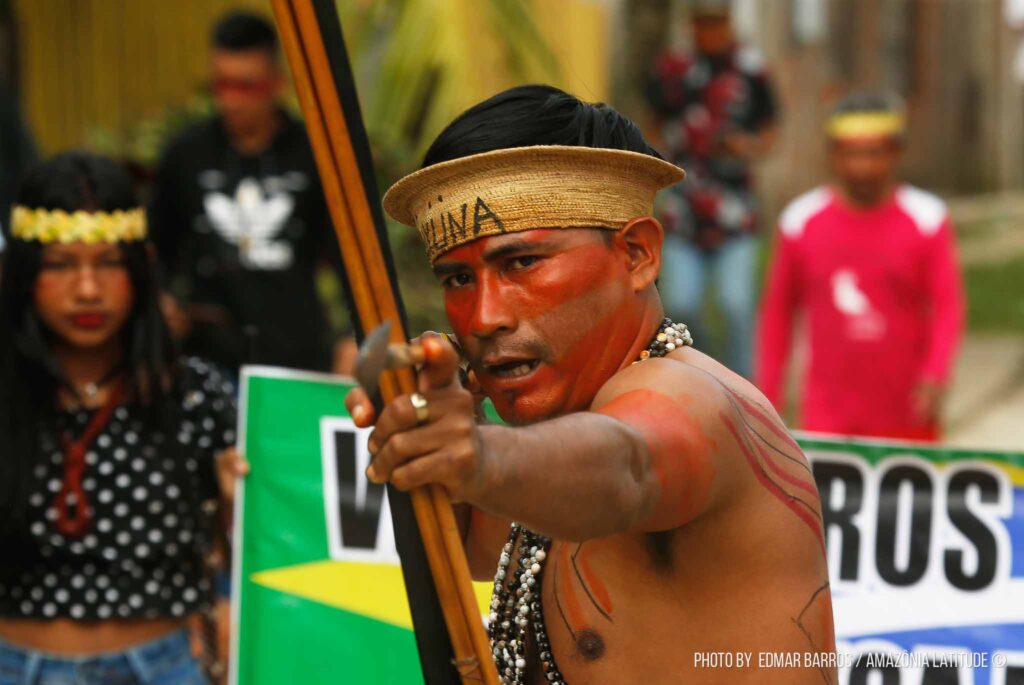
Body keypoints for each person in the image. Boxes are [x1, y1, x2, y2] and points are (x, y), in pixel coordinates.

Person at [346, 85, 835, 683]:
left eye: (521, 263)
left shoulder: (693, 400)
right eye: (457, 280)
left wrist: (475, 455)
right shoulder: (549, 434)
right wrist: (443, 417)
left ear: (636, 255)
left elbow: (628, 467)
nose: (483, 317)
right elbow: (473, 551)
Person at [0, 152, 246, 684]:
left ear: (141, 267)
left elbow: (252, 541)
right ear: (21, 272)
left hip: (167, 668)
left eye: (109, 263)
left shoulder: (195, 395)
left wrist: (239, 503)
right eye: (60, 265)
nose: (87, 289)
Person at [149, 10, 353, 375]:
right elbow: (154, 250)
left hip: (297, 352)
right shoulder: (185, 154)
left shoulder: (315, 154)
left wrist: (354, 335)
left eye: (246, 87)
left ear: (276, 83)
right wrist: (159, 302)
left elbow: (349, 257)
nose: (232, 101)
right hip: (206, 356)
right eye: (222, 86)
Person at [756, 93, 965, 442]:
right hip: (826, 417)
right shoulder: (800, 222)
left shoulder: (928, 219)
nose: (862, 167)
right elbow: (777, 313)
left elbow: (947, 306)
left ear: (896, 152)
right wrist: (769, 395)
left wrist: (936, 373)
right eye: (850, 154)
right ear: (832, 155)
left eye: (874, 153)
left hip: (908, 414)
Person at [645, 0, 778, 378]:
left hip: (735, 210)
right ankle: (703, 377)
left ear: (730, 23)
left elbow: (769, 128)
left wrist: (747, 146)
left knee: (736, 305)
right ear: (692, 25)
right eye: (703, 23)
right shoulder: (672, 69)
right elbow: (653, 121)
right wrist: (662, 154)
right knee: (681, 304)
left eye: (717, 23)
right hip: (684, 208)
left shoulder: (751, 68)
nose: (711, 32)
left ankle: (744, 388)